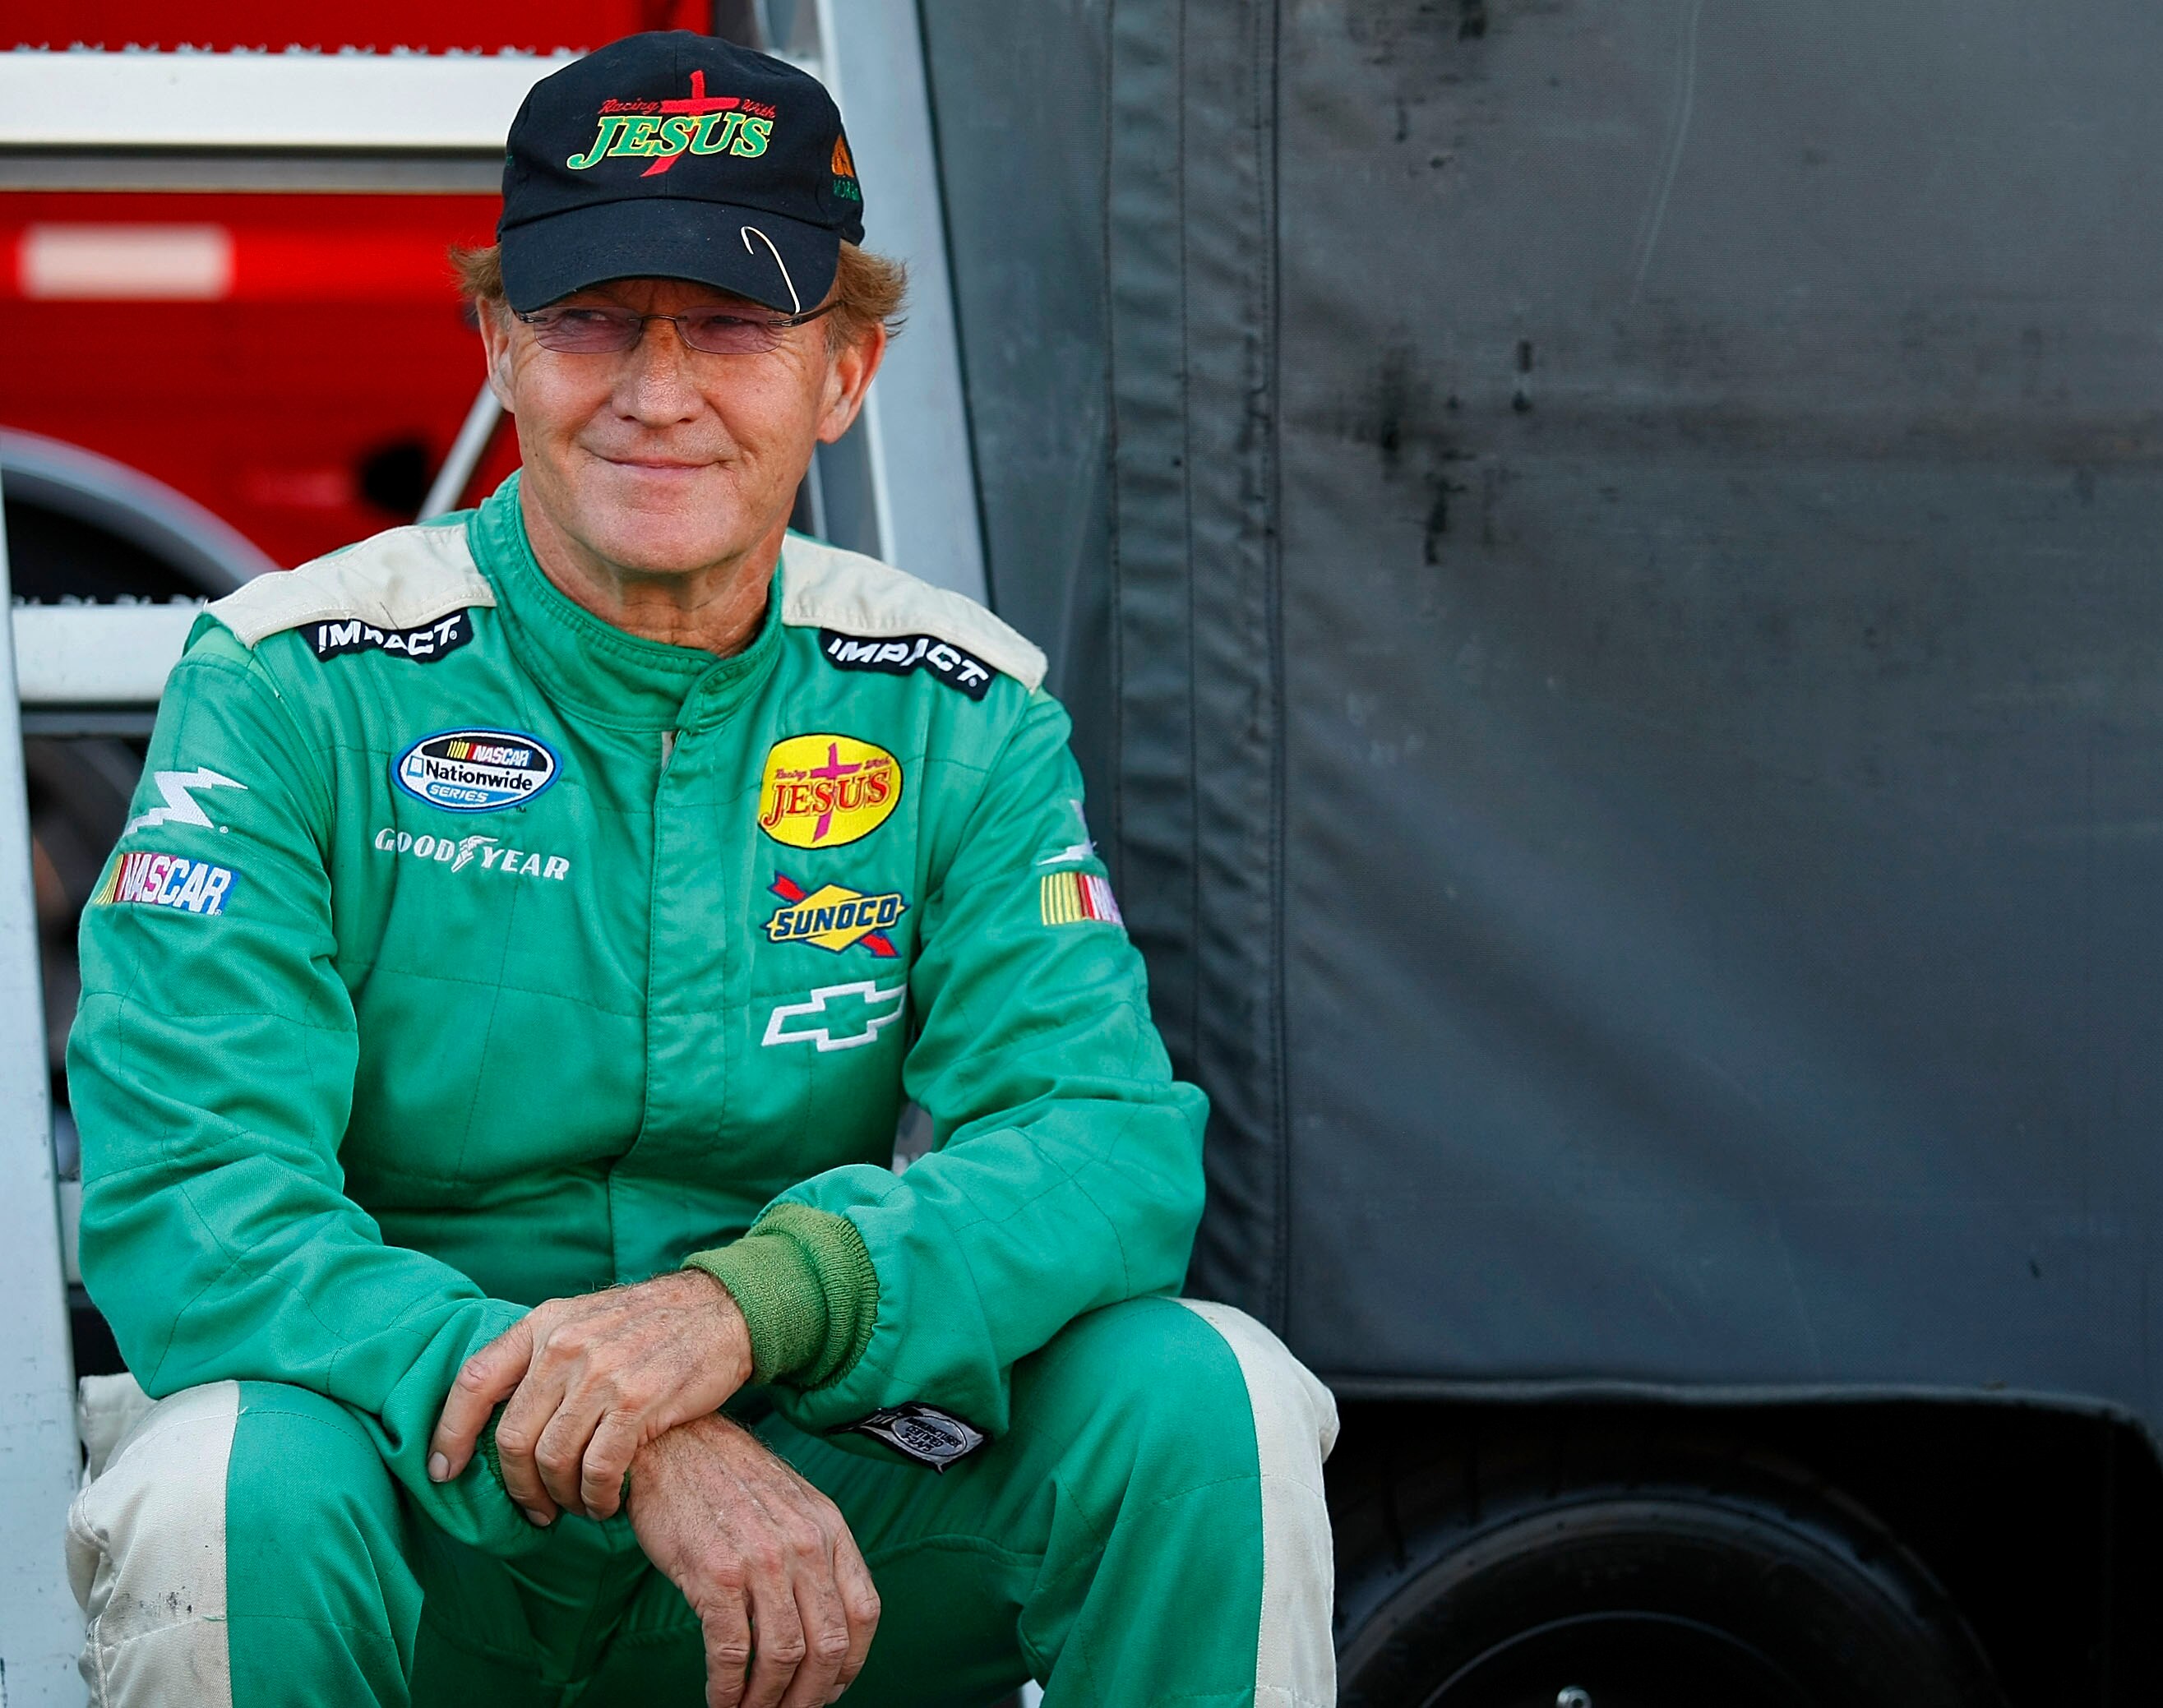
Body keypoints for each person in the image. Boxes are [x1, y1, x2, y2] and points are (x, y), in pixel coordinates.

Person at [62, 31, 1335, 1708]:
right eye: (592, 319)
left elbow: (1104, 1149)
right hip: (413, 1485)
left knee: (1208, 1391)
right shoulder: (296, 679)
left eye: (734, 326)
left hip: (821, 1480)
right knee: (212, 1485)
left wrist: (745, 1314)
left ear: (847, 372)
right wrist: (616, 1427)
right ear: (503, 344)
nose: (657, 394)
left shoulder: (956, 707)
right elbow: (195, 1204)